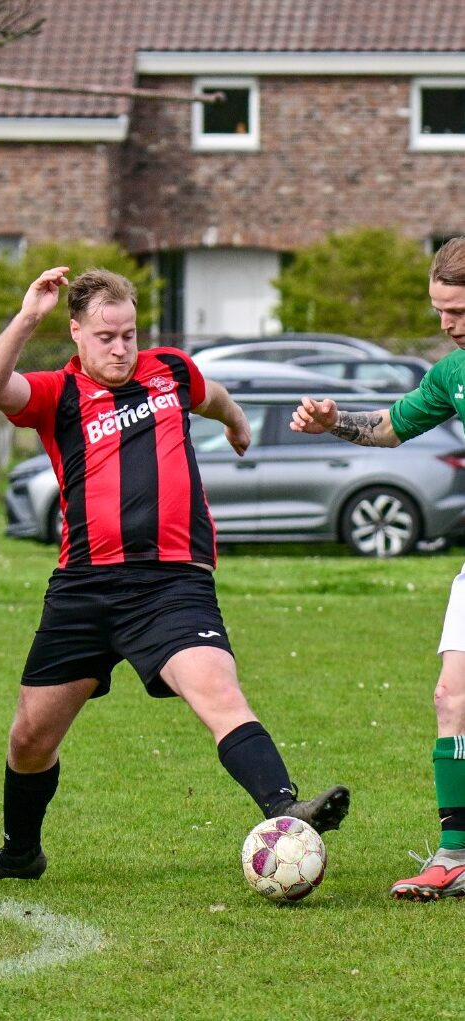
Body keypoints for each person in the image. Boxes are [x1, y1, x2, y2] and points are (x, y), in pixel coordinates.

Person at [0, 266, 350, 884]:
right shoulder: (58, 394)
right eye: (106, 337)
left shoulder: (170, 371)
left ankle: (286, 810)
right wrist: (27, 317)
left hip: (172, 583)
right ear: (76, 333)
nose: (121, 348)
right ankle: (19, 853)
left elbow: (212, 395)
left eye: (129, 334)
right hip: (84, 587)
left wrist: (236, 422)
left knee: (218, 693)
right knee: (30, 738)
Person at [291, 236, 465, 901]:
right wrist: (335, 422)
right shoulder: (451, 374)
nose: (446, 324)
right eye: (439, 309)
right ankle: (455, 854)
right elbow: (390, 427)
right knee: (451, 697)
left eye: (457, 310)